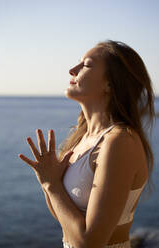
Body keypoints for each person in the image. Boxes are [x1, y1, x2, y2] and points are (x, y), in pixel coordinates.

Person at [19, 39, 156, 248]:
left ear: (110, 83)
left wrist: (51, 184)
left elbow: (90, 243)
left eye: (87, 64)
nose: (72, 70)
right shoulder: (81, 138)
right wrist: (48, 180)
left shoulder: (119, 142)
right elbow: (65, 221)